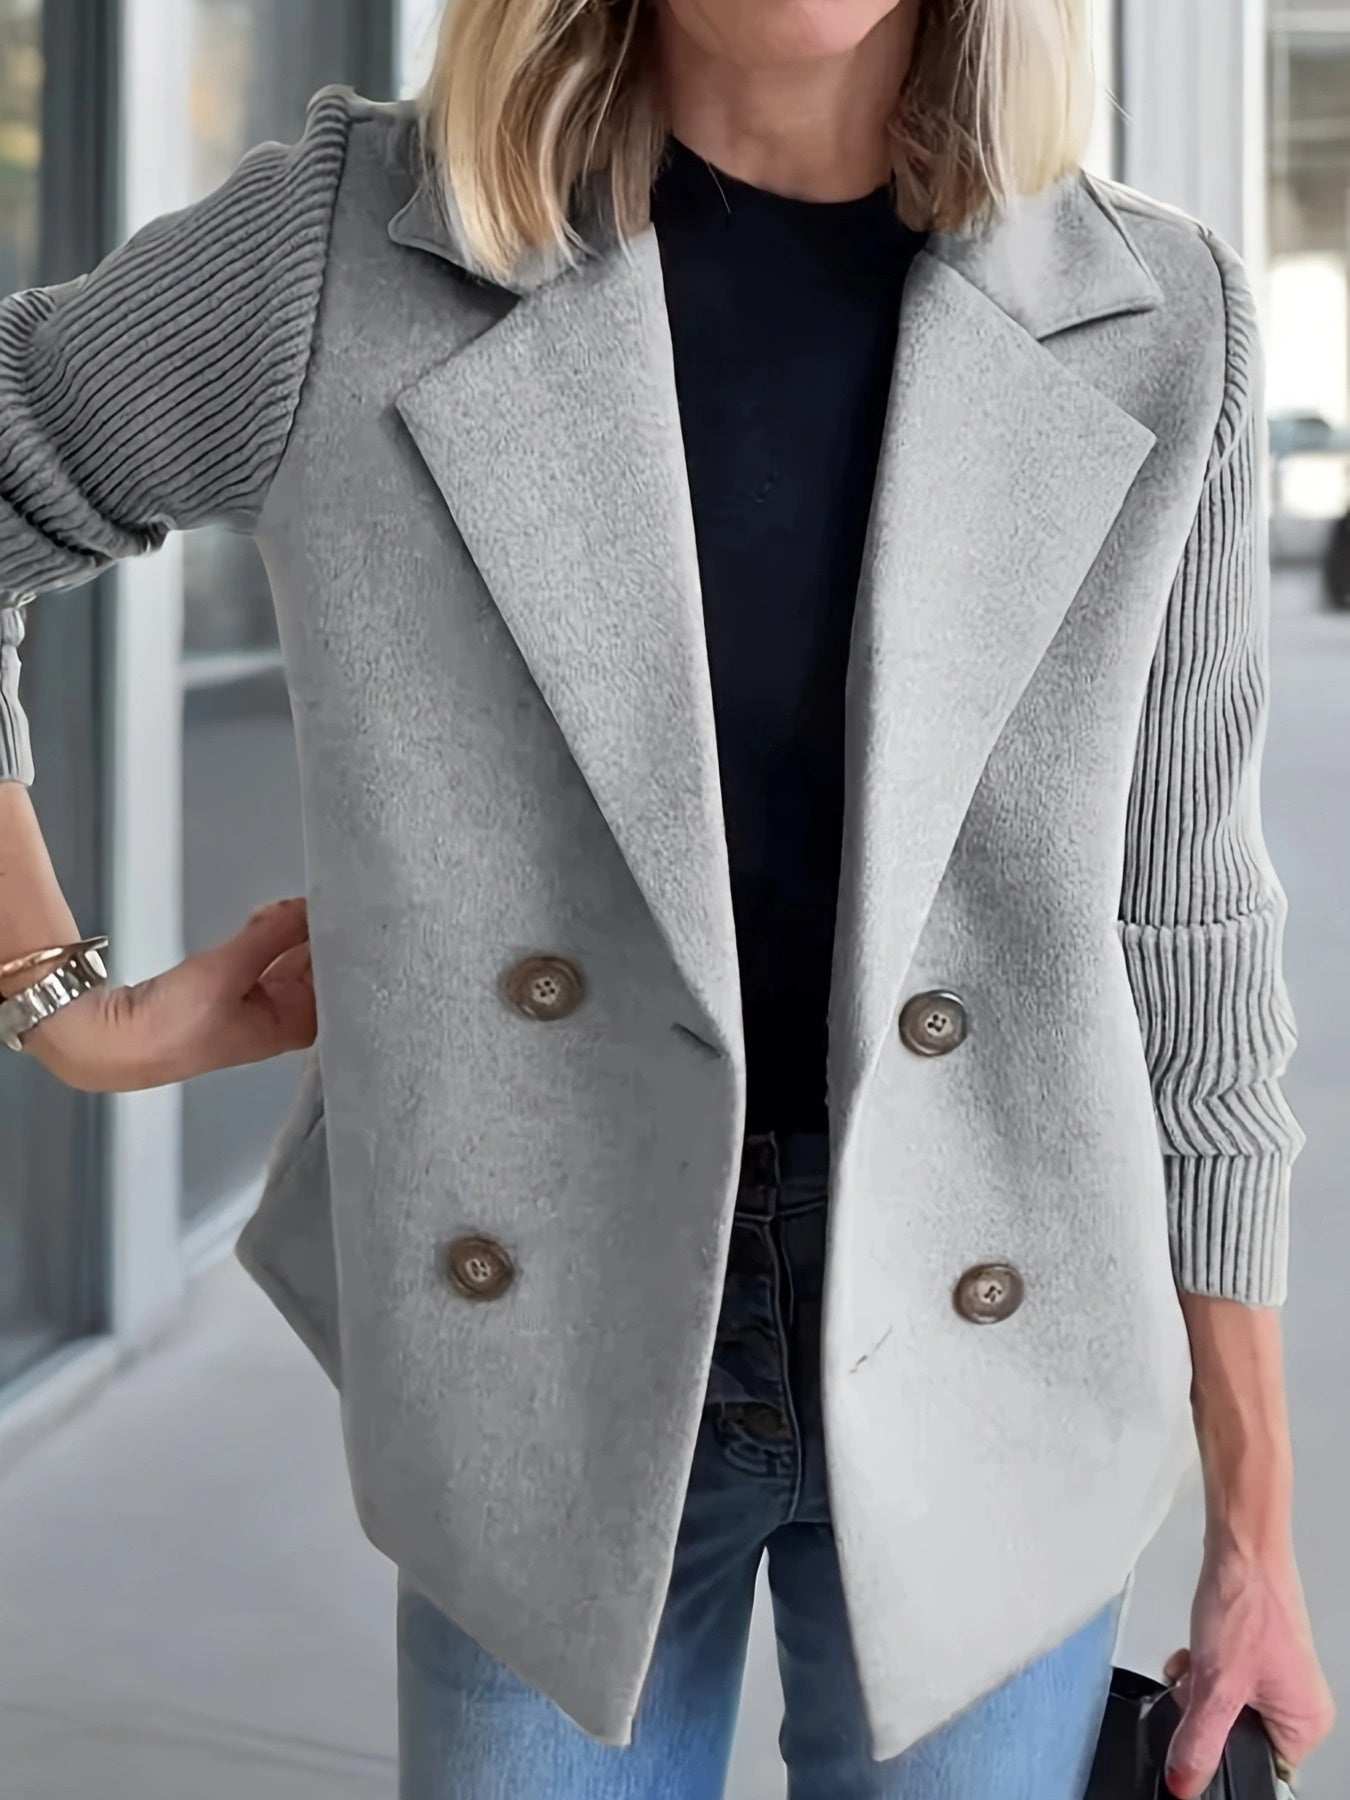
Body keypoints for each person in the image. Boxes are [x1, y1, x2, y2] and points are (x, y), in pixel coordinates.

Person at [0, 1, 1334, 1795]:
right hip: (538, 1337)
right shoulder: (347, 252)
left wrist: (1253, 1522)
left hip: (1009, 1339)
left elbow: (1186, 928)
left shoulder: (1158, 316)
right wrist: (56, 999)